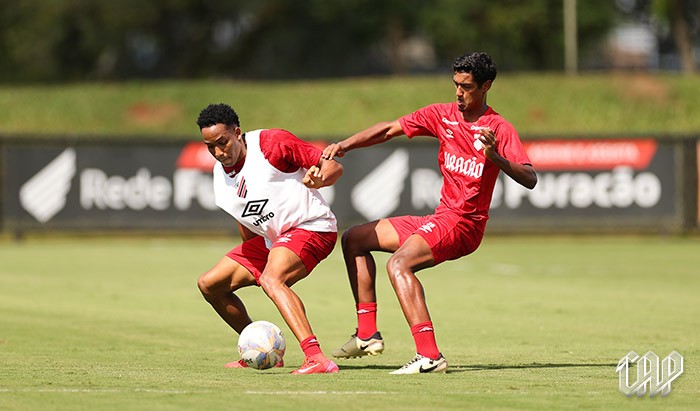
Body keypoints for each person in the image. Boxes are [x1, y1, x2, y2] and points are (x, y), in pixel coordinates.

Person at [322, 52, 537, 374]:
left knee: (399, 264)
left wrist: (495, 157)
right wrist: (345, 145)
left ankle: (430, 356)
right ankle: (367, 335)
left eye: (466, 86)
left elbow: (530, 179)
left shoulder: (499, 128)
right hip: (440, 218)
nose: (458, 92)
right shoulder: (442, 115)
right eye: (456, 85)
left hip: (464, 225)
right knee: (354, 239)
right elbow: (389, 129)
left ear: (486, 86)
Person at [196, 103, 343, 375]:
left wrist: (319, 179)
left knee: (272, 279)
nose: (218, 152)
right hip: (273, 240)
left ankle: (317, 358)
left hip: (313, 227)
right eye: (210, 147)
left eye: (222, 142)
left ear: (237, 133)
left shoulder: (271, 143)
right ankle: (261, 347)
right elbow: (246, 222)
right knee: (209, 284)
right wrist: (254, 255)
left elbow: (332, 165)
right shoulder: (219, 175)